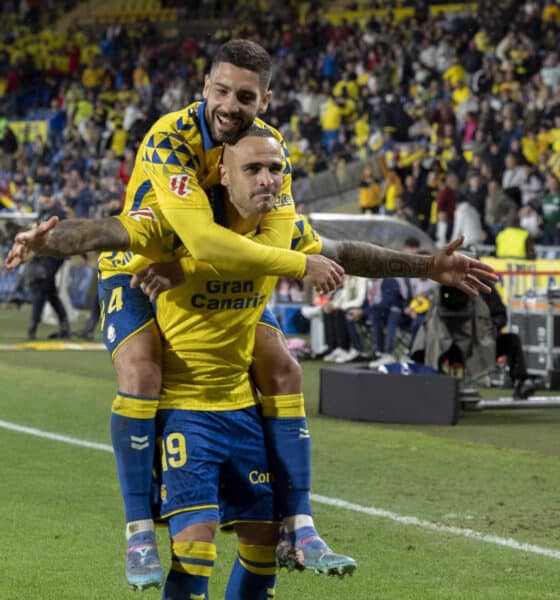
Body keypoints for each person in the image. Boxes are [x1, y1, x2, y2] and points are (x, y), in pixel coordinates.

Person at [7, 146, 498, 592]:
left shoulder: (280, 226)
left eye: (276, 170)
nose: (268, 180)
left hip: (238, 405)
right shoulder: (175, 219)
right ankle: (137, 531)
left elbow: (346, 253)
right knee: (188, 524)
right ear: (223, 174)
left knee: (283, 383)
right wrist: (46, 243)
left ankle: (299, 525)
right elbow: (105, 231)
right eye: (254, 169)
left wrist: (428, 267)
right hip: (167, 355)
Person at [25, 186, 70, 341]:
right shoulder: (42, 212)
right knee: (49, 293)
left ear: (52, 198)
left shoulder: (58, 213)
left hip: (54, 256)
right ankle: (65, 326)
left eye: (47, 196)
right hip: (43, 256)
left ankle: (33, 327)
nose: (45, 199)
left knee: (40, 290)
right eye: (44, 196)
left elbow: (64, 234)